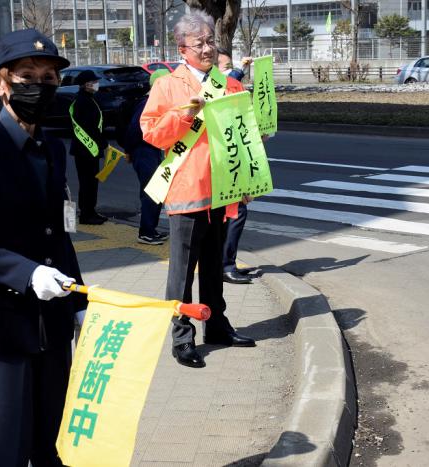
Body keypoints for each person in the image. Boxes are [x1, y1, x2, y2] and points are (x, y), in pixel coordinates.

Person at [0, 29, 87, 467]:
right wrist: (28, 274)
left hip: (54, 317)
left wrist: (79, 298)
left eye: (48, 79)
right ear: (0, 82)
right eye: (26, 75)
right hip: (4, 324)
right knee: (8, 450)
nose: (38, 87)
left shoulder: (54, 148)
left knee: (54, 444)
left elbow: (59, 233)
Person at [141, 10, 255, 369]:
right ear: (182, 48)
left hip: (222, 189)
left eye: (210, 41)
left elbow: (242, 134)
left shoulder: (229, 83)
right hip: (187, 190)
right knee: (182, 272)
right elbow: (151, 132)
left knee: (213, 267)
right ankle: (181, 336)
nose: (207, 48)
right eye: (199, 43)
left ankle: (217, 326)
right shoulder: (168, 85)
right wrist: (187, 112)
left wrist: (247, 180)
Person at [216, 48, 257, 285]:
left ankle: (226, 262)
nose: (231, 71)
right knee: (235, 213)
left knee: (236, 213)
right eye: (226, 66)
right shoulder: (217, 90)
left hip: (233, 160)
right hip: (223, 164)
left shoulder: (229, 87)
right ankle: (225, 265)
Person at [121, 69, 171, 245]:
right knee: (151, 191)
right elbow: (134, 130)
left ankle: (151, 230)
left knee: (156, 191)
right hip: (144, 151)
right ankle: (146, 233)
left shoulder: (156, 102)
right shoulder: (147, 104)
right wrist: (129, 151)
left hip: (151, 150)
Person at [70, 69, 108, 225]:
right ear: (86, 85)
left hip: (90, 149)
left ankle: (91, 211)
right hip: (85, 150)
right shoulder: (82, 101)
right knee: (87, 183)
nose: (96, 84)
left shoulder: (89, 99)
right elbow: (89, 127)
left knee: (91, 183)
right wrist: (101, 143)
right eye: (93, 82)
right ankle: (86, 215)